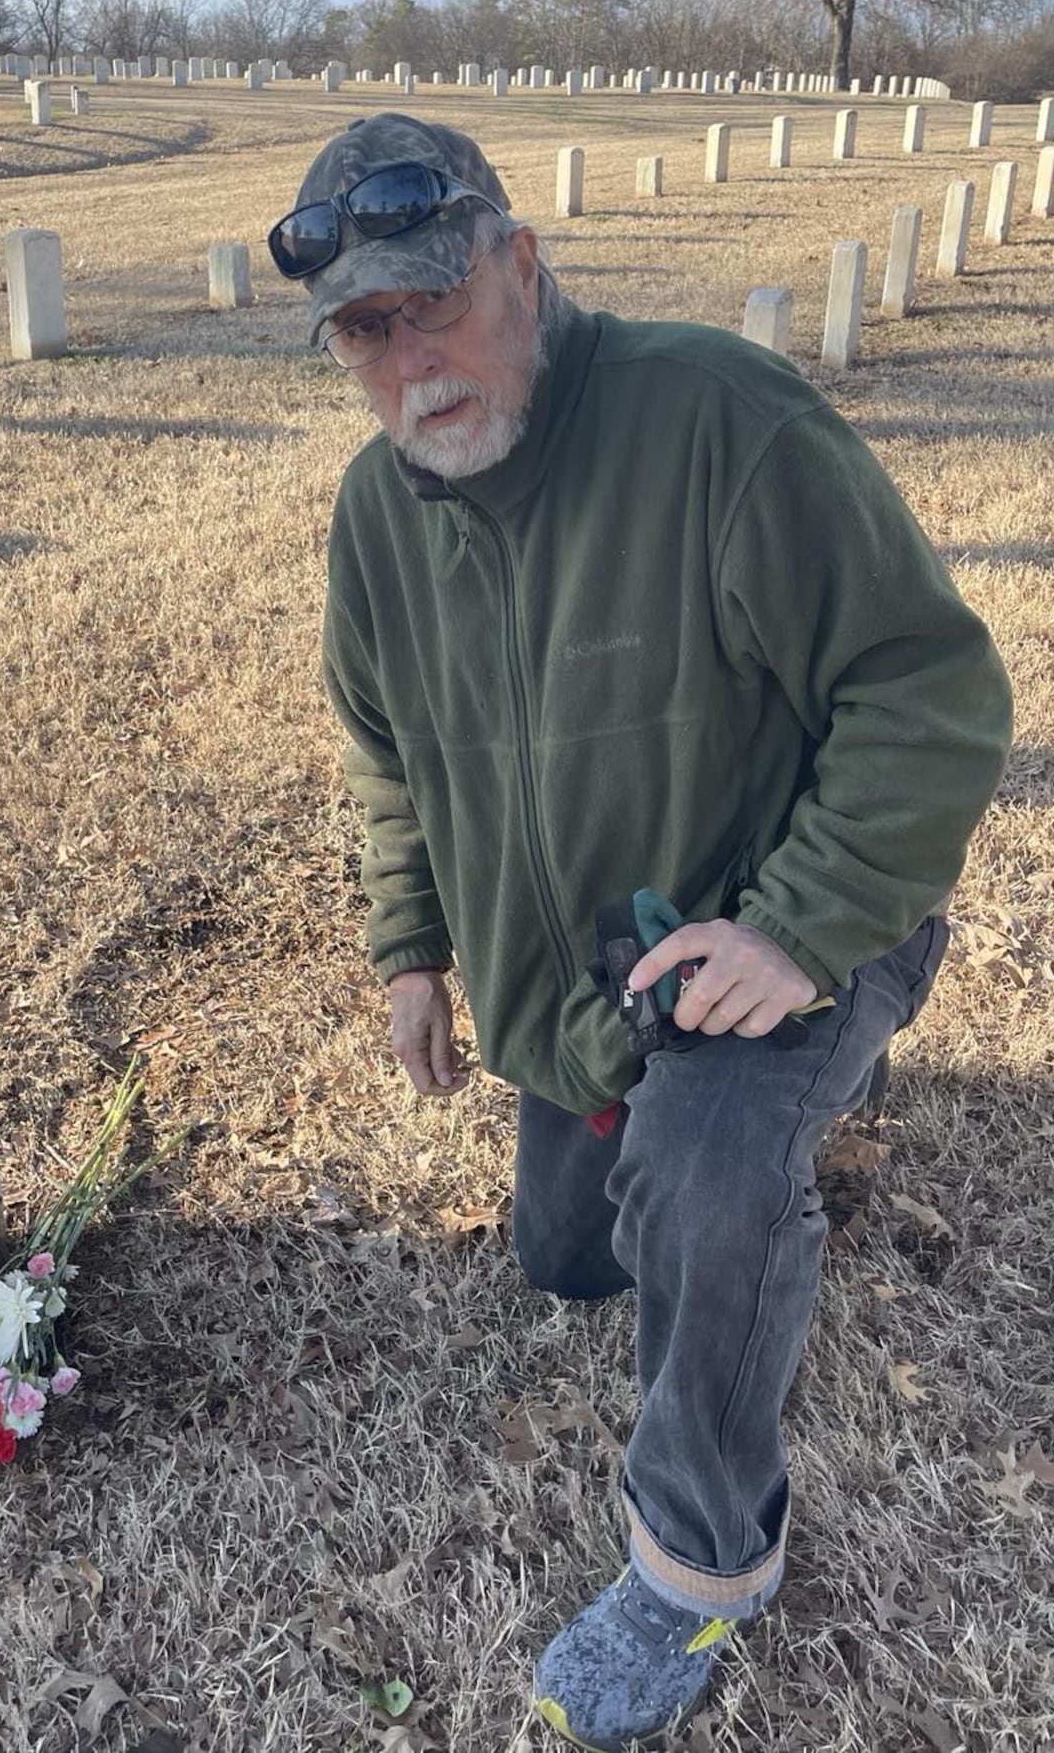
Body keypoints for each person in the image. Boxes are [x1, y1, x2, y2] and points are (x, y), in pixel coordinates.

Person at [268, 112, 1012, 1751]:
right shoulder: (376, 518)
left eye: (435, 303)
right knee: (569, 1255)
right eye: (365, 332)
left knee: (711, 1177)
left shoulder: (717, 418)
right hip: (591, 974)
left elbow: (932, 694)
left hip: (798, 904)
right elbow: (380, 750)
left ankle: (698, 1562)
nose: (410, 362)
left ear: (522, 267)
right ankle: (703, 1123)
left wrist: (801, 931)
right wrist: (411, 947)